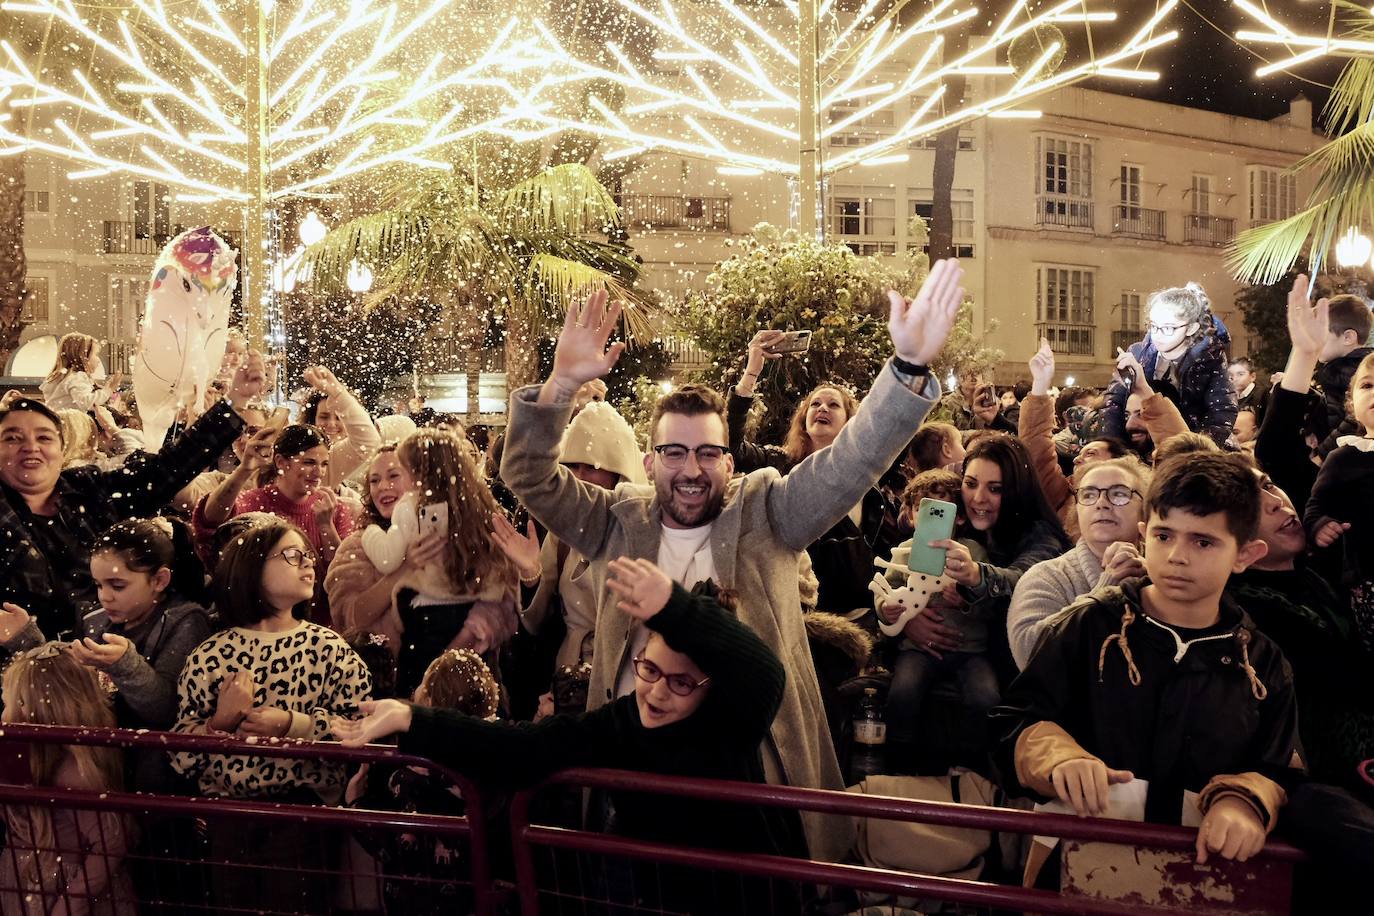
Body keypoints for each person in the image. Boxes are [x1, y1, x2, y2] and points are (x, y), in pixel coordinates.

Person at [500, 264, 965, 861]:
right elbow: (528, 476)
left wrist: (905, 370)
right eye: (674, 452)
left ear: (729, 460)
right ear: (649, 461)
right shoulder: (617, 520)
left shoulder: (769, 512)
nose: (691, 470)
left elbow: (853, 461)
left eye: (707, 453)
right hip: (633, 783)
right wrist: (560, 388)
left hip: (754, 791)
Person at [334, 558, 807, 913]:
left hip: (745, 899)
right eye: (649, 669)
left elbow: (764, 672)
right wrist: (413, 719)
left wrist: (674, 608)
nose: (658, 692)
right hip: (654, 897)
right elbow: (525, 745)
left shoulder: (729, 724)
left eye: (680, 682)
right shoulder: (621, 721)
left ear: (710, 689)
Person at [993, 453, 1301, 879]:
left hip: (1204, 875)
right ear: (1143, 535)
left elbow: (1279, 765)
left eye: (1203, 541)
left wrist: (1245, 800)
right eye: (1163, 535)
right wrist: (1057, 756)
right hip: (1081, 864)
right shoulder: (1090, 624)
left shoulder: (1261, 663)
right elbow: (1016, 718)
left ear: (1245, 554)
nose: (1177, 556)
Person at [0, 355, 264, 639]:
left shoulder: (88, 489)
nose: (30, 447)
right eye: (12, 438)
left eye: (44, 437)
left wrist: (234, 402)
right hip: (32, 670)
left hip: (122, 655)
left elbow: (164, 471)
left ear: (61, 449)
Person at [354, 429, 519, 697]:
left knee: (424, 712)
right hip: (455, 644)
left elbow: (386, 559)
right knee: (464, 713)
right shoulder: (477, 512)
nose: (387, 486)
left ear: (417, 472)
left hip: (428, 630)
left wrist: (371, 534)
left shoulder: (409, 510)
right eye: (375, 480)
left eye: (397, 473)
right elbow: (356, 617)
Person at [344, 647, 498, 914]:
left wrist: (355, 803)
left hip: (416, 900)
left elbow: (395, 849)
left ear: (427, 701)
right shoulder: (491, 764)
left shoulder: (414, 776)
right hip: (475, 898)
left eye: (422, 685)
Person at [0, 644, 137, 915]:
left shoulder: (74, 768)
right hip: (32, 877)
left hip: (61, 886)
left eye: (8, 703)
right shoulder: (22, 752)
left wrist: (70, 905)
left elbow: (113, 840)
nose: (3, 713)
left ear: (36, 710)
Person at [877, 469, 997, 769]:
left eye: (940, 510)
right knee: (902, 692)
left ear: (958, 517)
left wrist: (968, 599)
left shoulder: (973, 551)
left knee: (986, 697)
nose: (931, 518)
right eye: (923, 508)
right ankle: (897, 760)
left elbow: (990, 603)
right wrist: (886, 609)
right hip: (918, 650)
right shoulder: (903, 552)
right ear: (911, 514)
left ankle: (970, 764)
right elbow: (886, 592)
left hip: (969, 651)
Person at [930, 434, 1073, 682]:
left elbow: (1024, 580)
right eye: (971, 484)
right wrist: (912, 623)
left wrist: (976, 575)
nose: (978, 498)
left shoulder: (1041, 535)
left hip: (1013, 678)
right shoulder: (957, 524)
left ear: (1018, 490)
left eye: (995, 489)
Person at [1007, 457, 1151, 669]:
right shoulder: (1047, 576)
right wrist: (1104, 591)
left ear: (1145, 509)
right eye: (1089, 495)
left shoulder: (1162, 574)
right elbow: (1029, 654)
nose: (1102, 503)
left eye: (1119, 494)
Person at [1021, 339, 1173, 523]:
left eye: (1091, 453)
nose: (1077, 459)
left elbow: (1178, 457)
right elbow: (1036, 451)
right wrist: (1040, 384)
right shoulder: (1064, 497)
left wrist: (1144, 389)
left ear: (1119, 462)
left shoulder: (1146, 498)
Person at [1105, 283, 1237, 448]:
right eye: (1153, 326)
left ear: (1191, 328)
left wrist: (1196, 452)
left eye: (1169, 328)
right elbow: (1114, 404)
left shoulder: (1210, 360)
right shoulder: (1137, 353)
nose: (1158, 335)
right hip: (1140, 444)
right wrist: (1111, 447)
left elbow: (1221, 412)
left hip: (1188, 443)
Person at [1305, 349, 1374, 650]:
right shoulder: (1346, 456)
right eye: (1368, 385)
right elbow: (1316, 505)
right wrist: (1320, 525)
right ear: (1351, 402)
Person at [1311, 293, 1373, 453]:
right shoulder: (1340, 368)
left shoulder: (1352, 370)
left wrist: (1323, 453)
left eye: (1320, 335)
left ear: (1348, 337)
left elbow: (1353, 419)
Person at [39, 332, 120, 413]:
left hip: (57, 420)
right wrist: (108, 390)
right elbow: (87, 402)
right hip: (71, 421)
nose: (98, 360)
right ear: (83, 356)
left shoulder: (60, 378)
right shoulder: (77, 377)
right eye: (96, 354)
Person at [1230, 357, 1268, 422]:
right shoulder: (1229, 396)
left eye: (1240, 374)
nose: (1235, 379)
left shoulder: (1263, 395)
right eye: (1231, 375)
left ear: (1252, 377)